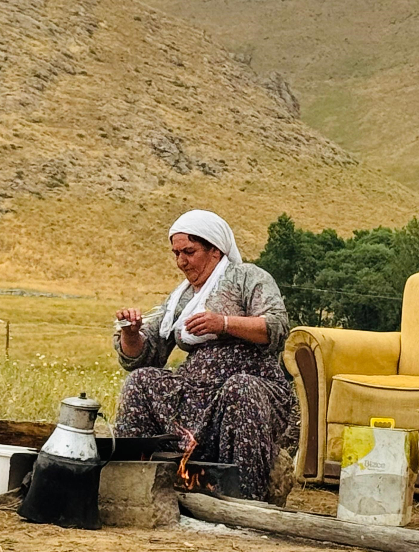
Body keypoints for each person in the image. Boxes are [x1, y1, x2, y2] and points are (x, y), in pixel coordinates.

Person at [112, 210, 293, 501]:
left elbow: (276, 327)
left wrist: (223, 323)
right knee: (141, 381)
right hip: (195, 394)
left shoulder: (247, 277)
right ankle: (135, 488)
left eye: (189, 252)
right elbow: (146, 356)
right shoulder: (180, 300)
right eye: (176, 253)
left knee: (240, 388)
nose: (181, 261)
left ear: (215, 250)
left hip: (252, 387)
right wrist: (131, 334)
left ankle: (245, 499)